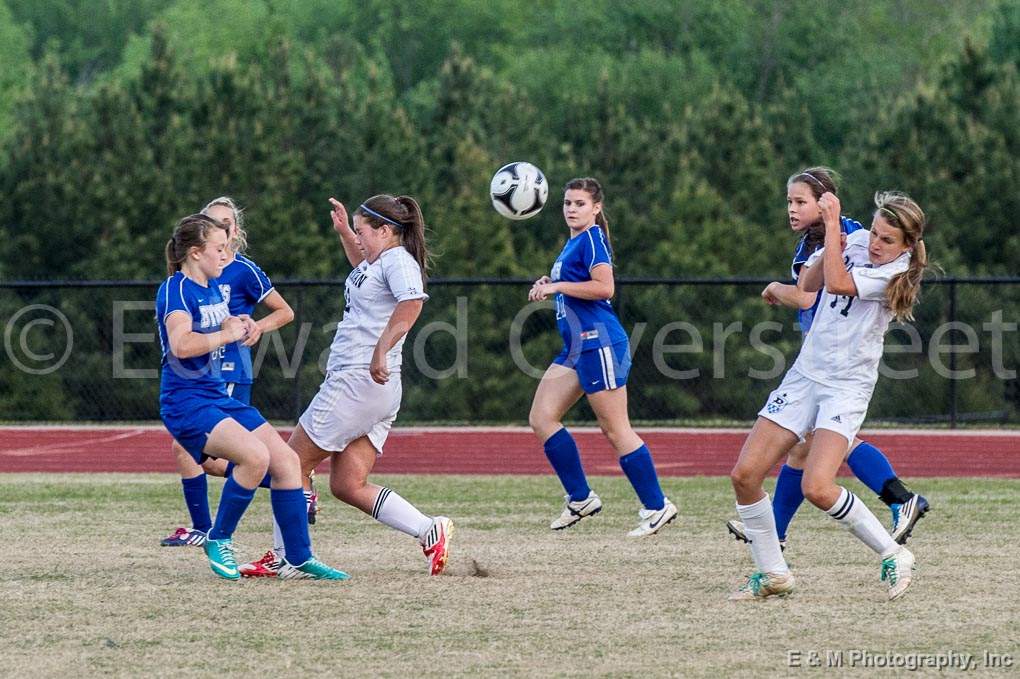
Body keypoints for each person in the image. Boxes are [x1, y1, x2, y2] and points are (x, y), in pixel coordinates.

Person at [728, 190, 929, 601]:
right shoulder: (856, 242)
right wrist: (831, 244)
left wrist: (834, 225)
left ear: (906, 246)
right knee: (745, 476)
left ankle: (894, 554)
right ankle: (773, 574)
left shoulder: (894, 273)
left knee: (818, 487)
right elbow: (810, 284)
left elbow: (840, 282)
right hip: (806, 374)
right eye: (873, 232)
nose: (874, 243)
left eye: (887, 240)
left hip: (845, 388)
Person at [240, 194, 453, 577]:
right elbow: (367, 278)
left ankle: (286, 556)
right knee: (348, 484)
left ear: (385, 231)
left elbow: (411, 304)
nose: (358, 239)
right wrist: (343, 234)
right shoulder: (380, 261)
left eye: (362, 232)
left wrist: (380, 349)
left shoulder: (398, 260)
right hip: (374, 387)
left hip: (359, 378)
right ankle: (428, 528)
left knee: (290, 462)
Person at [157, 213, 346, 580]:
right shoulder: (175, 289)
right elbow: (181, 345)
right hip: (187, 402)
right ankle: (218, 538)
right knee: (255, 458)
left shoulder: (211, 285)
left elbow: (219, 323)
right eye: (218, 248)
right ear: (196, 253)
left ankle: (298, 558)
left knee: (288, 462)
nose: (225, 255)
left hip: (214, 394)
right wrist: (225, 336)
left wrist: (237, 324)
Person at [527, 177, 677, 537]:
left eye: (580, 204)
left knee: (615, 429)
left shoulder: (593, 239)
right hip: (576, 346)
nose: (571, 209)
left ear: (596, 208)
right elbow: (576, 285)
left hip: (600, 342)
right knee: (542, 417)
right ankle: (580, 498)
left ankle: (657, 507)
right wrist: (552, 282)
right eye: (567, 203)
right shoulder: (574, 242)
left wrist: (558, 286)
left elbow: (605, 287)